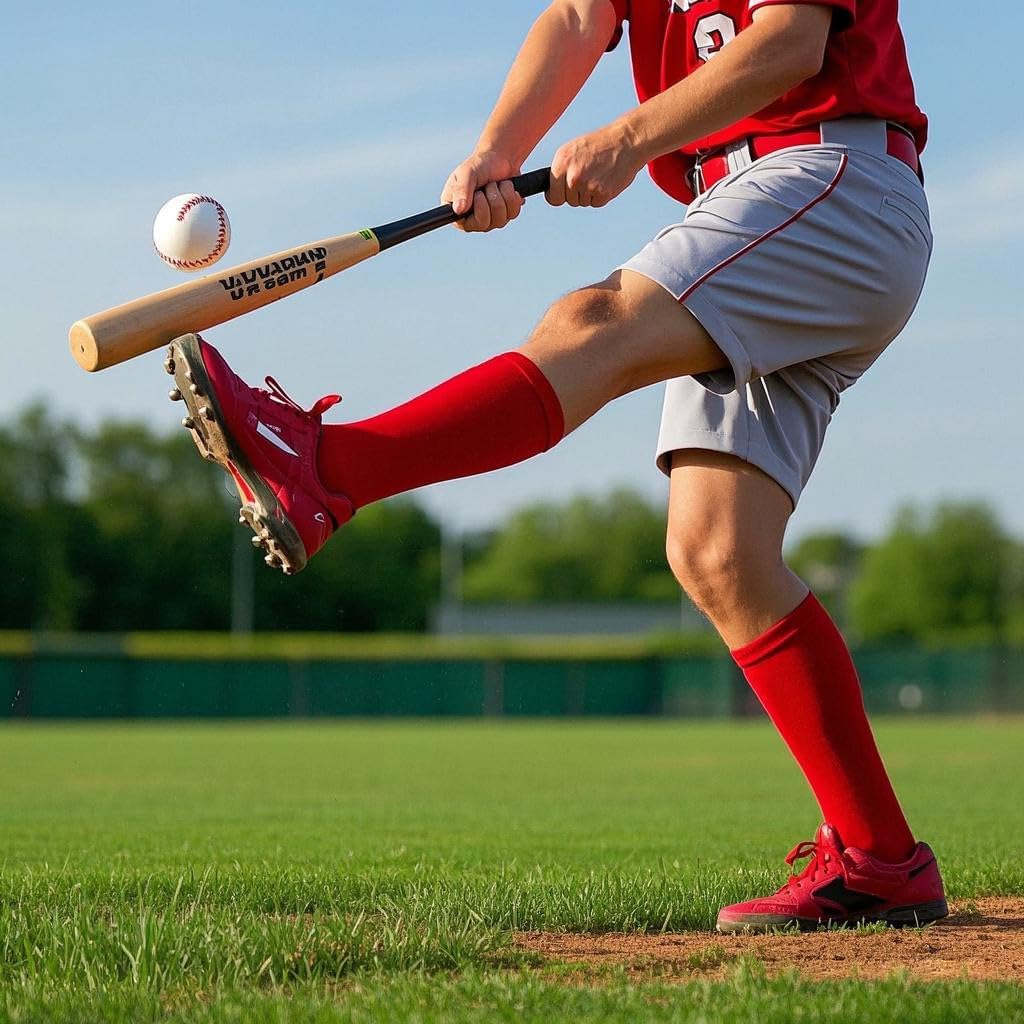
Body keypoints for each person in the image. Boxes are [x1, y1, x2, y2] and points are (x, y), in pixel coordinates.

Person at [166, 0, 946, 932]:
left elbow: (789, 45)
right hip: (746, 202)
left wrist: (627, 136)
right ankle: (881, 858)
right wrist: (499, 149)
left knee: (593, 322)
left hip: (832, 180)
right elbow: (578, 15)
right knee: (718, 555)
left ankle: (330, 471)